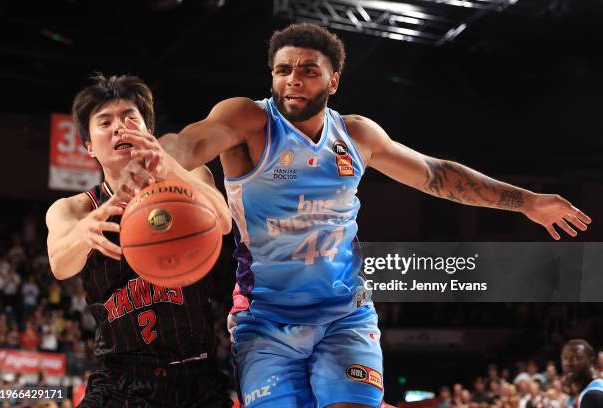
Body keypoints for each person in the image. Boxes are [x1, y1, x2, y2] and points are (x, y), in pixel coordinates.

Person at [116, 23, 592, 408]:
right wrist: (161, 154)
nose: (293, 80)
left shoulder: (357, 136)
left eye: (307, 70)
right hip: (265, 320)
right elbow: (194, 141)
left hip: (345, 316)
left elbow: (437, 174)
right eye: (283, 70)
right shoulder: (248, 121)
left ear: (334, 80)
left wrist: (527, 201)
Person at [45, 74, 233, 407]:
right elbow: (60, 263)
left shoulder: (191, 178)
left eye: (130, 117)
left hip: (197, 378)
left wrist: (170, 168)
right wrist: (87, 229)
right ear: (88, 145)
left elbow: (222, 223)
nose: (120, 127)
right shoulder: (75, 208)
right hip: (120, 382)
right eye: (105, 122)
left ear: (148, 129)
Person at [561, 339, 603, 408]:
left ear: (591, 360)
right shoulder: (595, 388)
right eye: (565, 358)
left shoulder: (592, 396)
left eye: (576, 358)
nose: (568, 363)